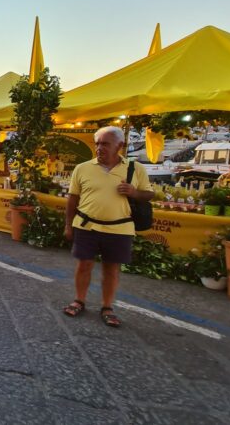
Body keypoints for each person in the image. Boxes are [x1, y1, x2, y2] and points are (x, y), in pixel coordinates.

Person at [62, 126, 154, 328]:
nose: (99, 148)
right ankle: (79, 300)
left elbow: (148, 194)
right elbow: (72, 200)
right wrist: (68, 226)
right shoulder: (82, 168)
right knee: (83, 265)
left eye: (105, 144)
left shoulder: (135, 169)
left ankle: (107, 306)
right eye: (97, 143)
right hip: (86, 226)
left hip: (119, 228)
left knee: (111, 269)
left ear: (119, 146)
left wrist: (134, 192)